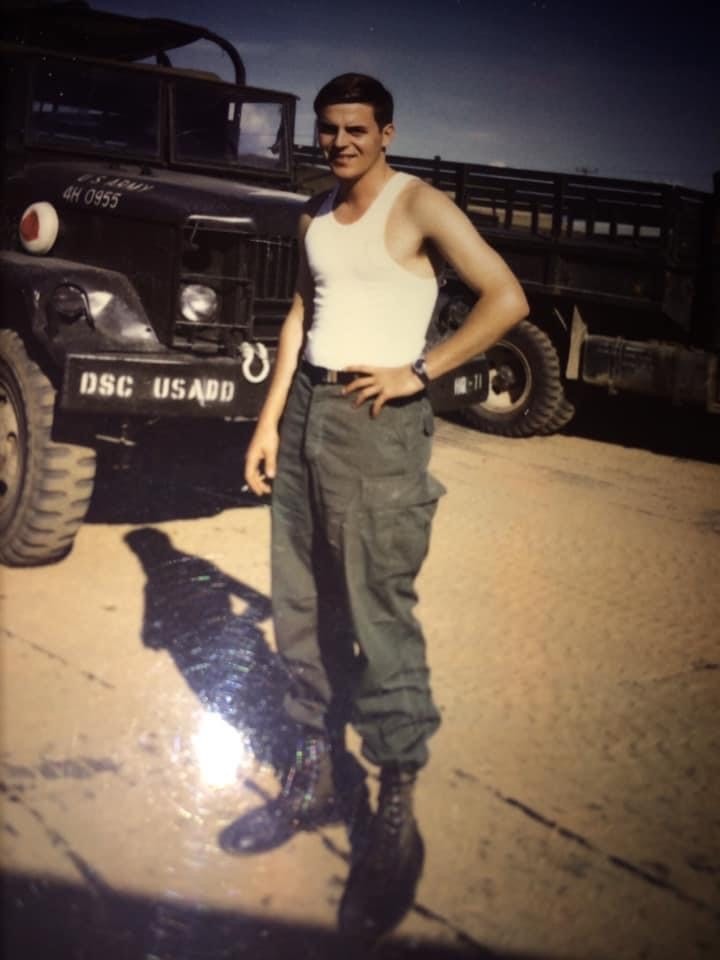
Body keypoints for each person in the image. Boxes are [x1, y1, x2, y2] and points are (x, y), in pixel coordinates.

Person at [222, 73, 528, 938]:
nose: (340, 141)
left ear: (387, 133)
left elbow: (508, 298)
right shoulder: (312, 213)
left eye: (357, 129)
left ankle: (396, 813)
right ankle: (315, 772)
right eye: (329, 129)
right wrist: (270, 421)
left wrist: (420, 370)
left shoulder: (420, 204)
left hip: (378, 422)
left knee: (377, 608)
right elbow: (298, 314)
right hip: (311, 411)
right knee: (300, 602)